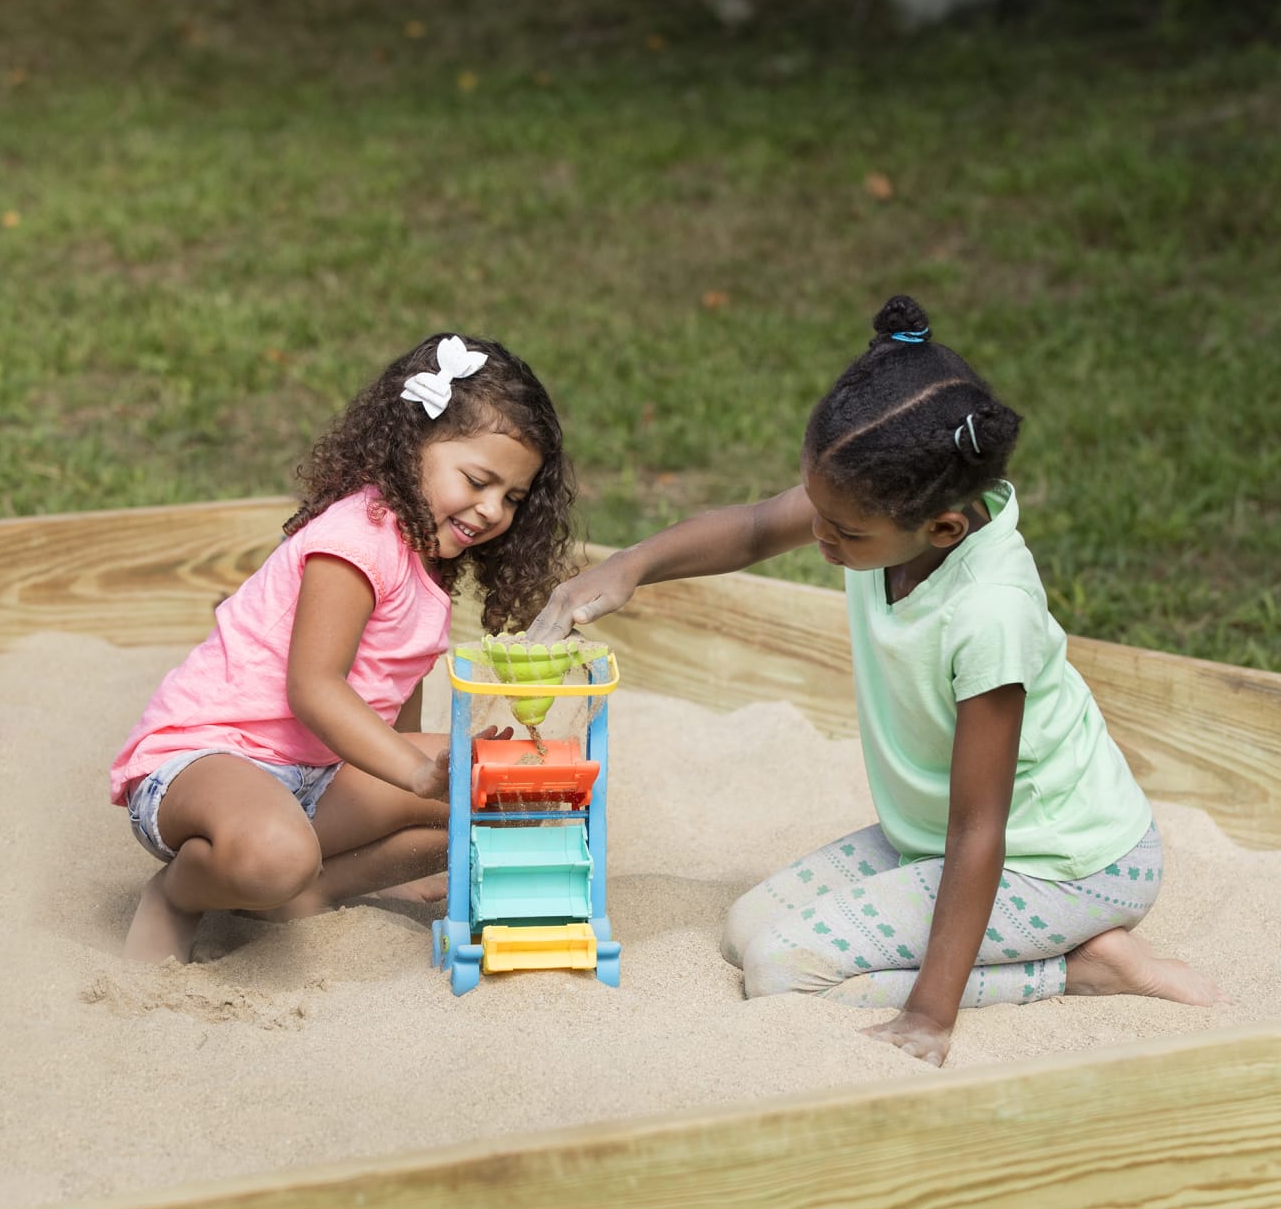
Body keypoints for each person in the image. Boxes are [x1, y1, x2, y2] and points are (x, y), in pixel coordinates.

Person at [527, 295, 1219, 1066]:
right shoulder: (879, 507)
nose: (816, 535)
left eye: (842, 530)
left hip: (1065, 861)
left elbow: (979, 830)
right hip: (935, 836)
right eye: (816, 508)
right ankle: (1050, 959)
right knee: (745, 930)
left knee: (783, 970)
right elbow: (757, 527)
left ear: (944, 528)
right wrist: (629, 568)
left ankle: (1080, 968)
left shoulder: (990, 613)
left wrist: (929, 1013)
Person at [113, 333, 576, 964]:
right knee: (277, 854)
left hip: (317, 780)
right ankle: (179, 893)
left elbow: (397, 695)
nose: (492, 509)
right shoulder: (356, 540)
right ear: (413, 443)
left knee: (510, 789)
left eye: (514, 498)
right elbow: (315, 688)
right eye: (478, 480)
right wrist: (414, 775)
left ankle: (302, 893)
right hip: (211, 761)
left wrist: (417, 781)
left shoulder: (427, 564)